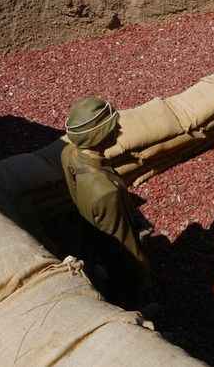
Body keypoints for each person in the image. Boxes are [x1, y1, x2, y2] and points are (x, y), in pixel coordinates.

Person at [61, 96, 153, 309]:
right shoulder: (105, 191)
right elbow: (125, 243)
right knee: (127, 279)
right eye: (113, 126)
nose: (119, 129)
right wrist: (144, 270)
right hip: (113, 250)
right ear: (99, 136)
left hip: (91, 231)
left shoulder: (68, 153)